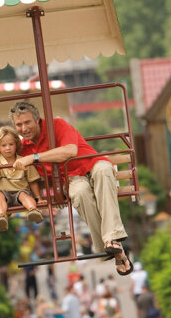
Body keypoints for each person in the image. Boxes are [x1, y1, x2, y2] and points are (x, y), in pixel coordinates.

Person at [8, 101, 133, 275]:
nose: (23, 128)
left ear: (37, 120)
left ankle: (111, 239)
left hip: (92, 163)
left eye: (27, 122)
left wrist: (35, 158)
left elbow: (70, 151)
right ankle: (114, 246)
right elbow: (1, 157)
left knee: (104, 171)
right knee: (79, 193)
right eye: (19, 125)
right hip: (71, 179)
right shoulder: (23, 148)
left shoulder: (56, 125)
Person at [0, 125, 44, 231]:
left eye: (11, 144)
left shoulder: (24, 161)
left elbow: (32, 182)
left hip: (20, 191)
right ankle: (2, 216)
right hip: (3, 192)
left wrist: (39, 198)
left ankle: (33, 210)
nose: (8, 148)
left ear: (16, 145)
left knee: (25, 195)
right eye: (4, 145)